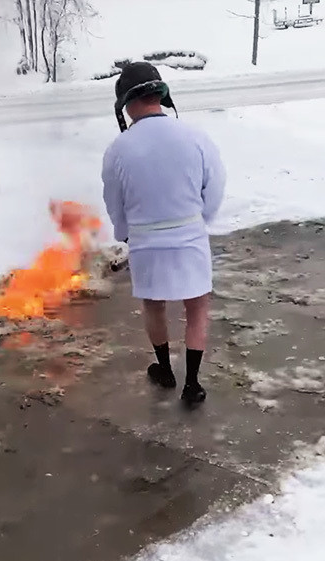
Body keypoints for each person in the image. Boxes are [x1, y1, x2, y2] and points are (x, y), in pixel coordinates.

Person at [101, 61, 226, 406]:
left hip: (146, 241)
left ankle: (164, 370)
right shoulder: (195, 136)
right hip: (189, 236)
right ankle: (193, 384)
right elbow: (214, 186)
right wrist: (202, 219)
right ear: (161, 95)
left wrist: (124, 233)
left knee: (154, 306)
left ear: (126, 104)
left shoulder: (118, 149)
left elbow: (114, 199)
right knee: (197, 306)